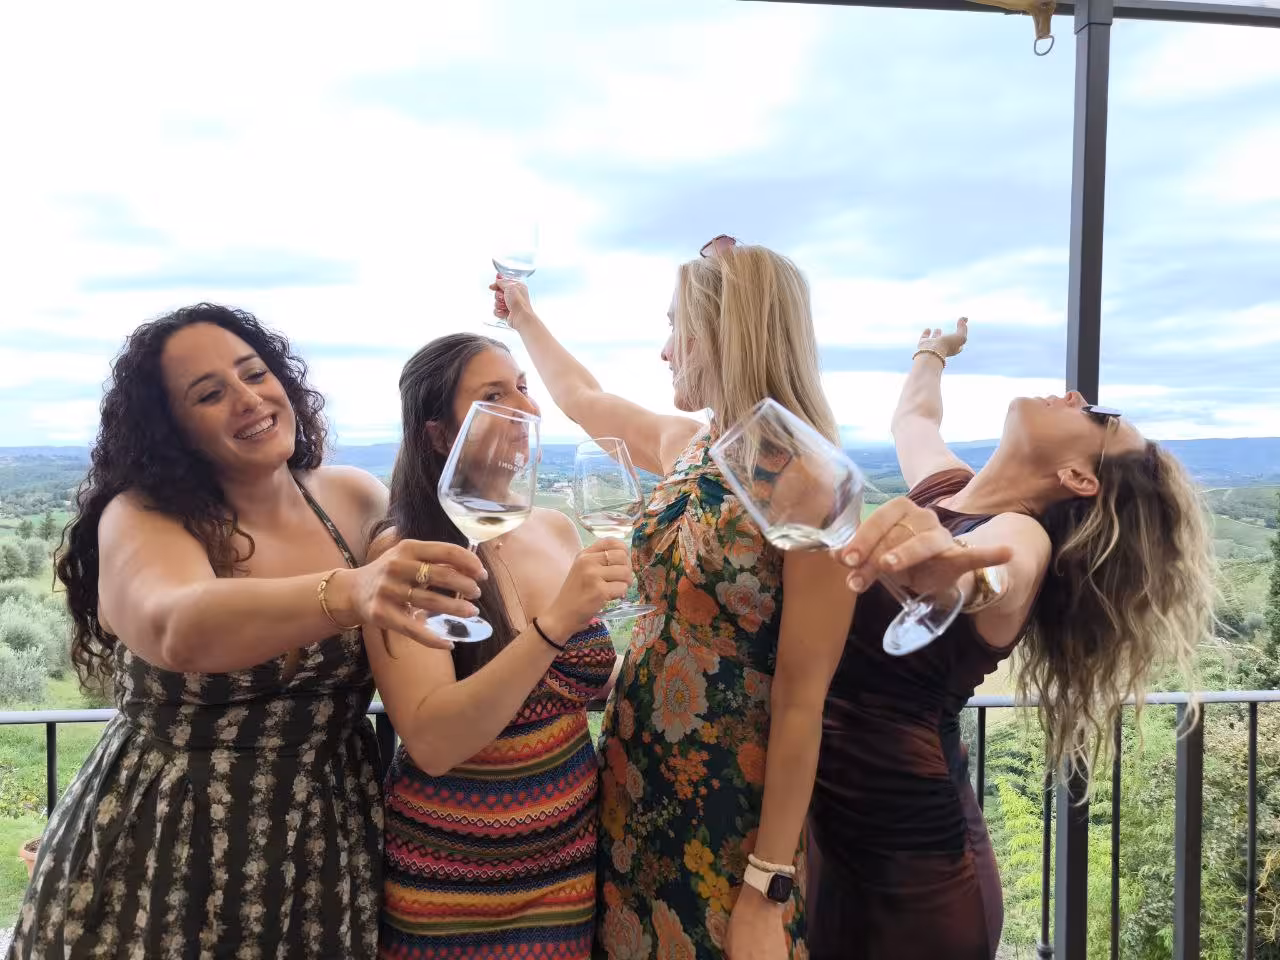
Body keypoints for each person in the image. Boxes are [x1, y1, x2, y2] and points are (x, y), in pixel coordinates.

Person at [493, 242, 1003, 960]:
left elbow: (802, 696)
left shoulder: (803, 481)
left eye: (676, 328)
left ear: (722, 334)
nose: (665, 350)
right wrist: (523, 317)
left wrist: (767, 884)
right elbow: (582, 401)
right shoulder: (695, 447)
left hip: (727, 806)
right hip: (635, 779)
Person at [8, 303, 484, 960]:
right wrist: (351, 590)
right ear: (170, 430)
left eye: (254, 373)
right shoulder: (142, 517)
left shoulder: (353, 498)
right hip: (164, 850)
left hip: (323, 846)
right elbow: (175, 625)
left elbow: (432, 586)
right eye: (209, 394)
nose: (247, 398)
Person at [808, 318, 1216, 960]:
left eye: (1099, 417)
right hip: (842, 842)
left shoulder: (1025, 537)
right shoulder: (949, 490)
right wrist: (932, 351)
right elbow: (913, 421)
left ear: (1080, 477)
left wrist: (960, 581)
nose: (1078, 397)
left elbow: (999, 572)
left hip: (917, 881)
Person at [368, 333, 632, 959]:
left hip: (567, 863)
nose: (526, 409)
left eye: (521, 387)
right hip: (452, 876)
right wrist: (556, 623)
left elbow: (583, 685)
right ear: (439, 435)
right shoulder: (405, 554)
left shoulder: (556, 528)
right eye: (493, 396)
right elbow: (432, 743)